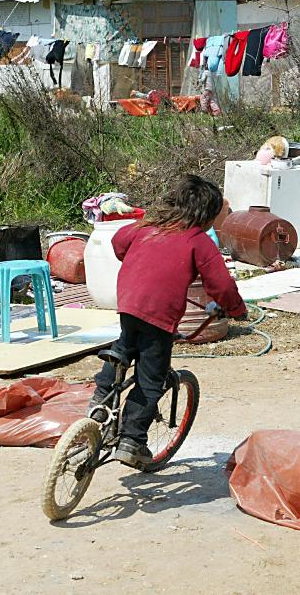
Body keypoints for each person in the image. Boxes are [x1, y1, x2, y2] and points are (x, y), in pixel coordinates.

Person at [90, 174, 246, 468]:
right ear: (207, 215)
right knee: (151, 380)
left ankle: (100, 397)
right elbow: (222, 285)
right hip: (159, 316)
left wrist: (141, 257)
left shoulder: (147, 225)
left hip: (128, 302)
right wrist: (236, 310)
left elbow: (118, 241)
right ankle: (131, 441)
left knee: (125, 346)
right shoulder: (198, 241)